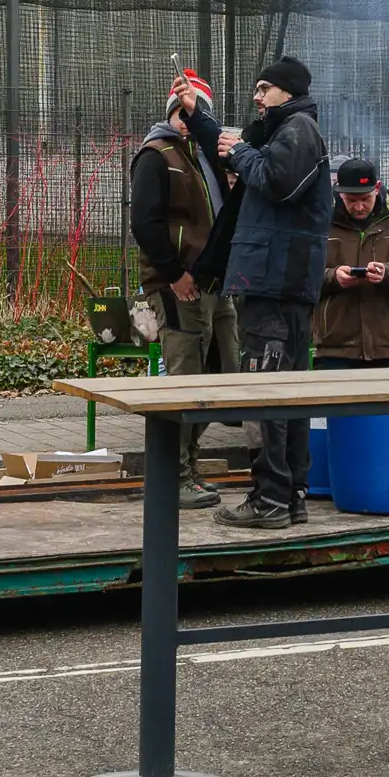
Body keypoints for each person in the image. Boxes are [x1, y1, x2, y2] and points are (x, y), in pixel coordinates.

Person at [210, 57, 335, 530]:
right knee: (289, 394)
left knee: (265, 395)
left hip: (273, 282)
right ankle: (291, 496)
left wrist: (241, 154)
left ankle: (270, 499)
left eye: (265, 89)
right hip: (285, 282)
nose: (257, 97)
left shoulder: (299, 129)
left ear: (288, 91)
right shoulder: (289, 131)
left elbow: (277, 182)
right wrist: (203, 120)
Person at [127, 70, 239, 508]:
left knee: (221, 375)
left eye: (196, 113)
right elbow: (145, 224)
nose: (188, 120)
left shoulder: (206, 157)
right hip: (179, 285)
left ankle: (188, 466)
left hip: (214, 281)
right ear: (172, 112)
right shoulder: (156, 156)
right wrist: (174, 273)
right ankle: (173, 477)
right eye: (183, 112)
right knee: (185, 380)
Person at [317, 157, 389, 368]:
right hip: (336, 343)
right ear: (339, 192)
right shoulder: (320, 221)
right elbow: (302, 273)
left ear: (377, 188)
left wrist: (388, 273)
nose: (359, 207)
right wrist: (333, 277)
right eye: (351, 200)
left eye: (365, 199)